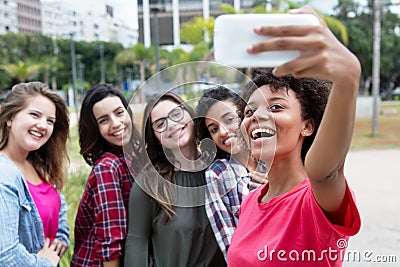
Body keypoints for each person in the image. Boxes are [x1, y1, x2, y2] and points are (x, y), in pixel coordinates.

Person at [227, 6, 361, 267]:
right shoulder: (251, 202)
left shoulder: (315, 200)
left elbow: (326, 172)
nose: (256, 116)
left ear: (307, 126)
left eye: (275, 107)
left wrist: (347, 79)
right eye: (249, 110)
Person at [125, 91, 226, 267]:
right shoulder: (149, 183)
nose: (171, 125)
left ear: (190, 114)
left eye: (176, 114)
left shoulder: (222, 170)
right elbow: (136, 244)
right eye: (160, 124)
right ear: (155, 138)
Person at [71, 84, 144, 267]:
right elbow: (110, 243)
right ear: (95, 128)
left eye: (119, 113)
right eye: (104, 120)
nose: (116, 123)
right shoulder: (107, 168)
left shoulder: (133, 156)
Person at [0, 82, 70, 267]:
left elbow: (57, 208)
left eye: (50, 121)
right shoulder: (3, 173)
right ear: (10, 118)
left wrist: (60, 240)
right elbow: (6, 256)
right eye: (35, 115)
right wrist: (44, 262)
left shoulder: (39, 164)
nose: (43, 125)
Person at [195, 86, 267, 260]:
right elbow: (228, 241)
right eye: (213, 129)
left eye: (229, 119)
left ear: (244, 115)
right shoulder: (218, 175)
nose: (223, 131)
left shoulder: (274, 155)